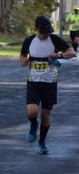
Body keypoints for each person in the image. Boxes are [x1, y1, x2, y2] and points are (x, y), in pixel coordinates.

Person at [20, 15, 75, 154]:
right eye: (43, 32)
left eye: (48, 32)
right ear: (36, 29)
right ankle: (33, 124)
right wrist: (24, 61)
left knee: (45, 115)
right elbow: (22, 56)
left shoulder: (54, 39)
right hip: (34, 81)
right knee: (32, 111)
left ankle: (42, 141)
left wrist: (59, 56)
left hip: (50, 83)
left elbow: (72, 52)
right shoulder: (29, 40)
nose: (46, 35)